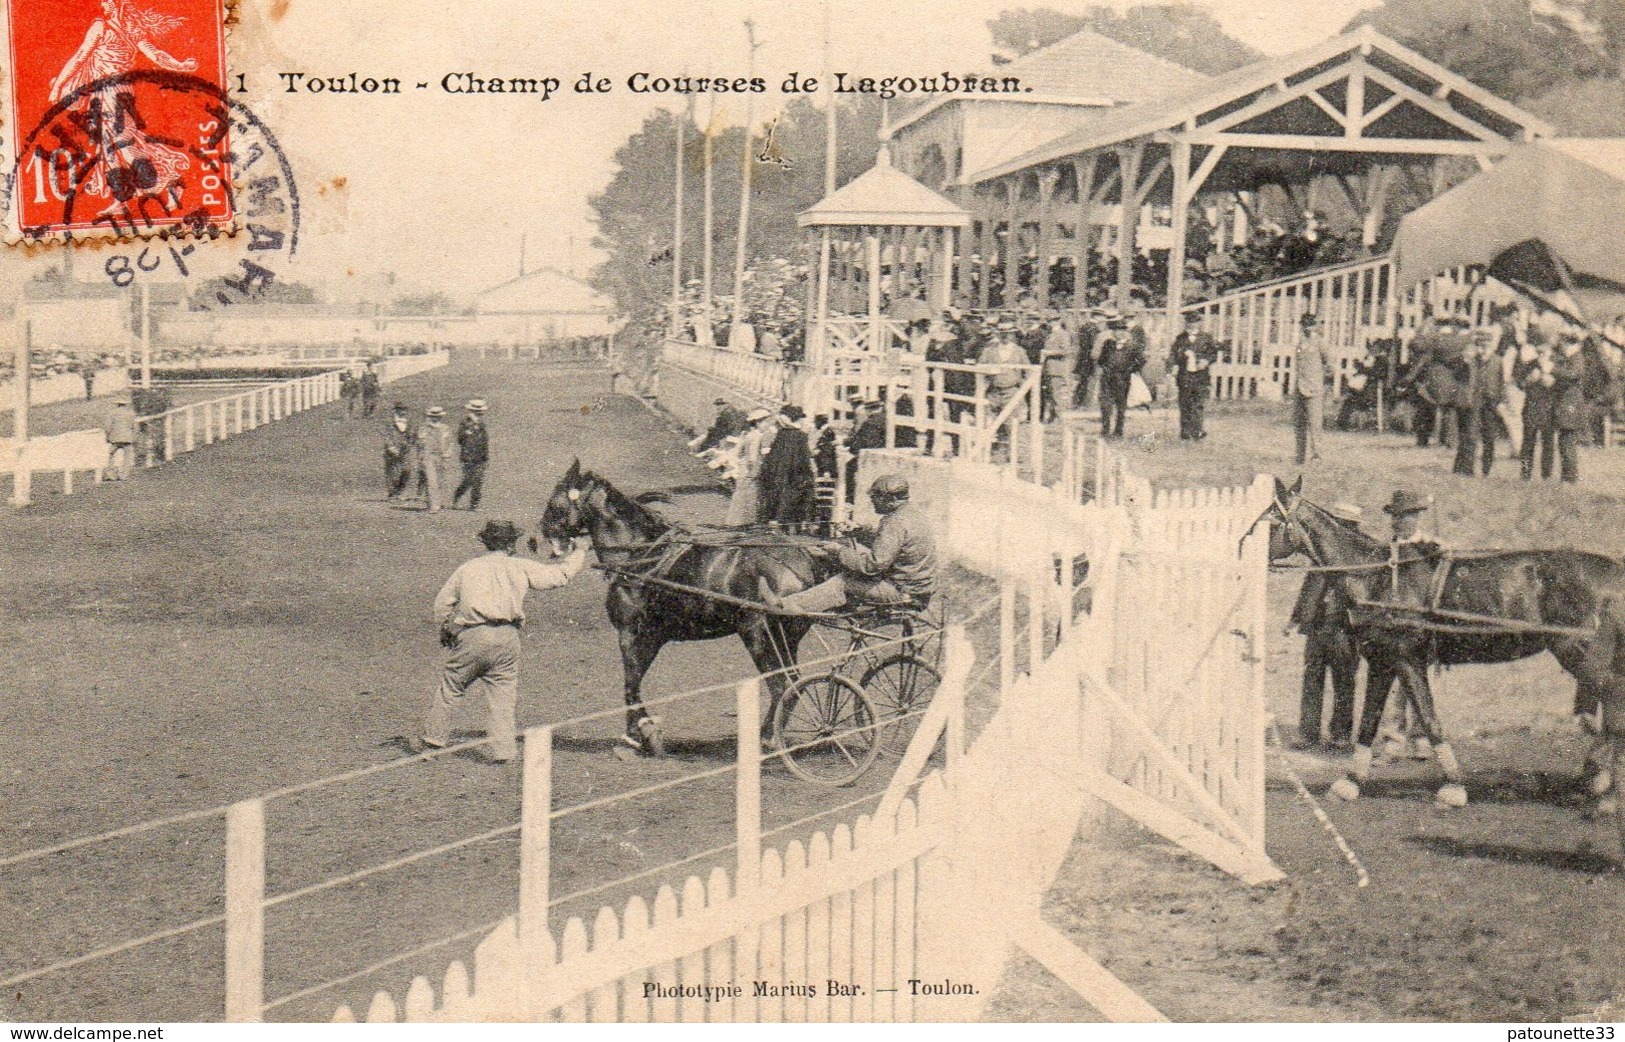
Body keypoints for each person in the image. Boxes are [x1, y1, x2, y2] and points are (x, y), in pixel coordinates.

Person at [421, 520, 588, 763]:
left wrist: (447, 628)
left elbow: (442, 603)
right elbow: (559, 576)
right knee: (503, 695)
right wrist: (579, 552)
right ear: (511, 544)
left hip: (472, 636)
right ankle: (503, 752)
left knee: (451, 689)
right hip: (507, 638)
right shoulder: (520, 566)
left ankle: (432, 743)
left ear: (486, 542)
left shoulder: (468, 568)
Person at [761, 474, 937, 614]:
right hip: (918, 587)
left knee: (842, 582)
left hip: (902, 591)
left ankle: (786, 605)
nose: (872, 501)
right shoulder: (911, 514)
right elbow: (893, 545)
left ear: (889, 500)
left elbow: (873, 565)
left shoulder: (894, 523)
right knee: (850, 558)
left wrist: (838, 551)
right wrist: (859, 533)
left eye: (875, 497)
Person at [1289, 501, 1363, 750]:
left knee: (1344, 681)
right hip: (1318, 627)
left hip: (1345, 629)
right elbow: (1309, 588)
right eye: (1339, 524)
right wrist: (1296, 617)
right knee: (1312, 679)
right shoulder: (1322, 553)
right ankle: (1308, 733)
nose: (1341, 529)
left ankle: (1341, 735)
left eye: (1346, 525)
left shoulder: (1359, 555)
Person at [1453, 327, 1503, 477]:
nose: (1483, 349)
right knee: (1471, 435)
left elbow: (1501, 382)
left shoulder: (1497, 361)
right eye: (1480, 345)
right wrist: (1466, 361)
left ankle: (1486, 469)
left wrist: (1499, 401)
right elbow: (1459, 375)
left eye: (1486, 345)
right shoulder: (1471, 361)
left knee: (1489, 437)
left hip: (1491, 402)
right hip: (1475, 401)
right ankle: (1466, 469)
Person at [758, 404, 816, 529]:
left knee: (778, 496)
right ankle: (794, 526)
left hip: (779, 472)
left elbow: (773, 456)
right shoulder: (801, 436)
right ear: (797, 419)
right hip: (794, 473)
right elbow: (805, 458)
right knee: (797, 496)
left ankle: (776, 521)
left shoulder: (781, 434)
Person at [1515, 331, 1558, 481]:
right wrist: (1529, 380)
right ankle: (1525, 473)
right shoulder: (1530, 364)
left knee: (1548, 443)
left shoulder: (1556, 363)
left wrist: (1552, 381)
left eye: (1544, 349)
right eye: (1539, 349)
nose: (1542, 352)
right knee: (1528, 442)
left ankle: (1546, 475)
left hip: (1549, 408)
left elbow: (1563, 383)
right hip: (1531, 407)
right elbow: (1519, 382)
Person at [1169, 311, 1218, 441]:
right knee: (1185, 403)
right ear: (1186, 324)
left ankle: (1197, 431)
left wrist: (1206, 361)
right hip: (1184, 376)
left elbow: (1213, 353)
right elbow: (1173, 355)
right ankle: (1185, 432)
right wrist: (1173, 366)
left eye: (1195, 322)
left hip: (1200, 376)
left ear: (1199, 323)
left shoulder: (1206, 338)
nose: (1192, 325)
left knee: (1198, 403)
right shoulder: (1180, 339)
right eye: (1189, 323)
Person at [1097, 310, 1142, 440]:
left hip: (1123, 379)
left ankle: (1118, 431)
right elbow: (1101, 360)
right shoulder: (1108, 344)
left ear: (1125, 331)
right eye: (1115, 330)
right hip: (1107, 378)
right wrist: (1106, 368)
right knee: (1105, 404)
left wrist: (1128, 370)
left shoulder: (1132, 346)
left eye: (1120, 330)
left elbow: (1140, 361)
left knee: (1120, 406)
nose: (1117, 333)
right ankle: (1105, 430)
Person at [726, 407, 773, 526]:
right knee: (749, 495)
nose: (767, 425)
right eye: (765, 422)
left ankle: (735, 521)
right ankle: (744, 522)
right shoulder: (757, 436)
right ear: (757, 422)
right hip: (750, 470)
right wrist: (755, 471)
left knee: (741, 494)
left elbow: (739, 452)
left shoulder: (747, 435)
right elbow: (753, 458)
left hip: (744, 468)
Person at [1292, 313, 1327, 464]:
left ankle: (1316, 456)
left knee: (1315, 424)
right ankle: (1300, 456)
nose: (1306, 328)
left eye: (1310, 324)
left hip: (1314, 389)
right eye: (1304, 325)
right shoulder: (1300, 343)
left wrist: (1320, 379)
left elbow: (1329, 363)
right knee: (1299, 423)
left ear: (1314, 326)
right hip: (1300, 387)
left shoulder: (1320, 342)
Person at [1553, 332, 1587, 483]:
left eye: (1564, 344)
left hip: (1571, 403)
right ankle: (1567, 476)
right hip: (1567, 402)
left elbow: (1573, 374)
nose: (1563, 347)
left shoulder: (1576, 358)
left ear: (1571, 344)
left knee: (1567, 440)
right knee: (1564, 439)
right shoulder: (1571, 358)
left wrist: (1552, 369)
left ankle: (1570, 476)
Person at [452, 399, 490, 509]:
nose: (481, 412)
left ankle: (474, 505)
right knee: (468, 480)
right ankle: (457, 497)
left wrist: (486, 456)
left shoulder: (482, 424)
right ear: (472, 410)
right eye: (478, 410)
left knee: (478, 480)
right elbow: (460, 439)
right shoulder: (465, 422)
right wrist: (467, 433)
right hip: (468, 456)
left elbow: (485, 441)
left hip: (481, 456)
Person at [415, 405, 452, 512]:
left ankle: (435, 503)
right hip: (428, 456)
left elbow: (449, 443)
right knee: (431, 481)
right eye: (433, 416)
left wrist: (447, 456)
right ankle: (433, 505)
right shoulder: (423, 428)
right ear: (429, 416)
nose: (436, 418)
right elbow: (420, 444)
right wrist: (420, 457)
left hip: (441, 457)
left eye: (438, 416)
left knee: (439, 481)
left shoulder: (445, 428)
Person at [1039, 317, 1071, 423]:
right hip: (1049, 368)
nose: (1050, 324)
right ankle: (1053, 416)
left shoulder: (1063, 334)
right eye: (1049, 321)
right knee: (1050, 393)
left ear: (1058, 322)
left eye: (1052, 322)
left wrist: (1049, 352)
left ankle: (1059, 416)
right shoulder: (1051, 334)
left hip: (1057, 368)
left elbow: (1065, 350)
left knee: (1055, 393)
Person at [383, 402, 416, 502]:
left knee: (407, 470)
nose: (402, 411)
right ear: (395, 410)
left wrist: (411, 442)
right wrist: (390, 446)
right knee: (392, 472)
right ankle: (392, 494)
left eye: (404, 409)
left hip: (405, 450)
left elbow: (412, 434)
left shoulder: (409, 421)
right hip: (392, 449)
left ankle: (400, 491)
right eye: (400, 409)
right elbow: (386, 435)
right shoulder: (389, 422)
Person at [1072, 307, 1100, 408]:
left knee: (1083, 381)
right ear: (1098, 317)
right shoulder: (1094, 328)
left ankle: (1077, 402)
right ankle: (1083, 403)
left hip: (1083, 357)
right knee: (1087, 381)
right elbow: (1094, 343)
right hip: (1089, 358)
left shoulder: (1084, 326)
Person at [102, 398, 135, 481]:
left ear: (117, 404)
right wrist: (133, 437)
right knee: (127, 457)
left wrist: (107, 437)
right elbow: (134, 426)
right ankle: (124, 475)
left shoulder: (112, 413)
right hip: (127, 438)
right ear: (126, 404)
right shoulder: (130, 413)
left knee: (110, 456)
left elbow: (107, 427)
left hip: (115, 438)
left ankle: (110, 474)